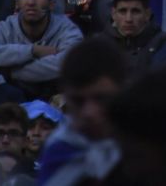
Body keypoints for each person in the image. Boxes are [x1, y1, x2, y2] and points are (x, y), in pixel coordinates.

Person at [35, 37, 126, 186]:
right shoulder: (60, 152)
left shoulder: (151, 147)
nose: (89, 112)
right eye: (78, 101)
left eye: (101, 99)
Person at [0, 0, 83, 97]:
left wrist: (10, 72)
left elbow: (69, 62)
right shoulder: (3, 28)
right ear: (16, 3)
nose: (31, 2)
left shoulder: (68, 29)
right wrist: (33, 51)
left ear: (52, 4)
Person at [104, 0, 166, 75]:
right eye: (123, 11)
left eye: (135, 11)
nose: (128, 19)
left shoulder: (163, 43)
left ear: (147, 14)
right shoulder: (99, 45)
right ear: (113, 13)